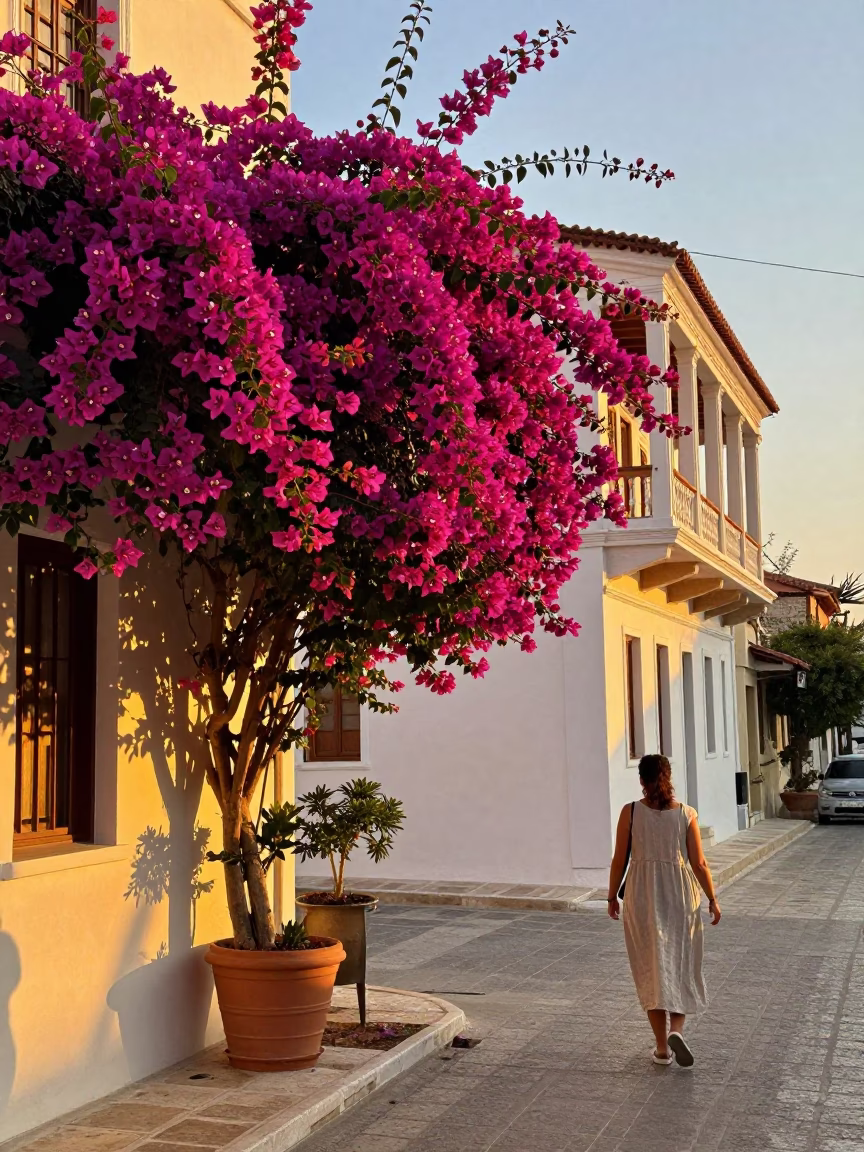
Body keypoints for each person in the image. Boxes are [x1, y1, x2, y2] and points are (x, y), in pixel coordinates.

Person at [607, 754, 721, 1067]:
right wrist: (712, 897)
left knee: (651, 966)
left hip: (642, 894)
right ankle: (678, 1030)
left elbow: (620, 860)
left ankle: (661, 1048)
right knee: (680, 962)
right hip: (681, 894)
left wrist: (610, 898)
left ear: (641, 780)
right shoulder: (686, 813)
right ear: (669, 777)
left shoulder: (629, 813)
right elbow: (699, 863)